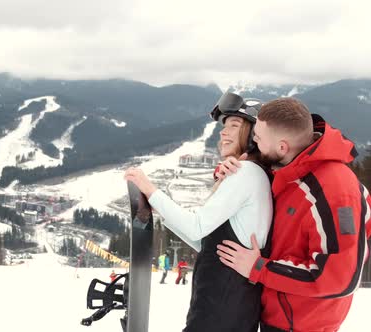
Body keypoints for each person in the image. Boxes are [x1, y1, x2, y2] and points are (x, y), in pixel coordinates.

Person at [215, 97, 371, 332]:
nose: (253, 142)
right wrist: (226, 172)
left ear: (282, 146)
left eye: (257, 137)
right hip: (277, 313)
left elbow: (340, 279)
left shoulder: (335, 191)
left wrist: (259, 268)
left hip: (302, 324)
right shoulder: (291, 168)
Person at [124, 92, 274, 331]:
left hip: (217, 315)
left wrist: (151, 190)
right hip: (230, 312)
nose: (223, 132)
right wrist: (161, 210)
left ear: (254, 135)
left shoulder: (246, 173)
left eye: (234, 125)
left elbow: (197, 226)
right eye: (224, 126)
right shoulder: (257, 175)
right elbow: (207, 244)